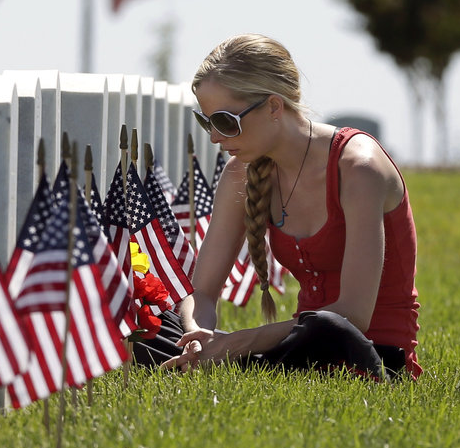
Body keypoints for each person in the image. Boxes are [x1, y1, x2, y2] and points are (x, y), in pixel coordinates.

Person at [152, 34, 421, 379]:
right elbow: (202, 292)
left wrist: (236, 342)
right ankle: (214, 362)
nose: (215, 138)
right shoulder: (242, 172)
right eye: (207, 122)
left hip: (368, 354)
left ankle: (238, 363)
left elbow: (352, 316)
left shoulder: (358, 167)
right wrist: (197, 335)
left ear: (274, 107)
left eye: (224, 122)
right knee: (152, 325)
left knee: (326, 325)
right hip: (296, 349)